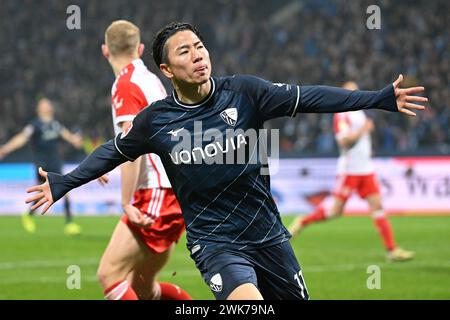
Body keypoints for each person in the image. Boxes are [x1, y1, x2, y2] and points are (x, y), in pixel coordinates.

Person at [26, 22, 427, 300]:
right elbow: (113, 151)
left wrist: (377, 98)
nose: (198, 55)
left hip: (268, 236)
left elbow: (313, 97)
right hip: (216, 243)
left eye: (200, 46)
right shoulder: (157, 121)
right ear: (166, 69)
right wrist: (65, 182)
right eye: (185, 51)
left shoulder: (246, 93)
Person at [96, 20, 190, 300]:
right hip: (174, 189)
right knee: (142, 284)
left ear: (105, 51)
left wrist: (126, 202)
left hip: (156, 192)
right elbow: (141, 137)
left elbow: (132, 151)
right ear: (138, 48)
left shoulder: (124, 85)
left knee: (109, 274)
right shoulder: (150, 79)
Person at [288, 81, 415, 262]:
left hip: (366, 169)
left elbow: (360, 141)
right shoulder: (342, 114)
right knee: (335, 211)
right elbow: (344, 141)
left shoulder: (360, 111)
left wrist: (367, 149)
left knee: (378, 207)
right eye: (351, 91)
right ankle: (302, 221)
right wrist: (363, 130)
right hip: (350, 170)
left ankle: (391, 250)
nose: (355, 94)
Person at [0, 97, 83, 235]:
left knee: (66, 189)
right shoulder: (35, 125)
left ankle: (69, 223)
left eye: (48, 104)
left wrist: (75, 141)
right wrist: (6, 148)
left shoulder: (56, 124)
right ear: (39, 108)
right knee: (42, 193)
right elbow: (22, 138)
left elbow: (68, 136)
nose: (46, 106)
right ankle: (28, 214)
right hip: (42, 164)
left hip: (55, 161)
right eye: (43, 104)